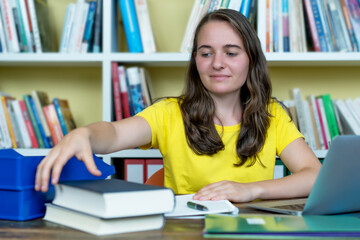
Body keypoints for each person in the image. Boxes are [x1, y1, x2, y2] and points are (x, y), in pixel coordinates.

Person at [35, 9, 321, 203]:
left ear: (251, 60)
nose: (217, 63)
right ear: (195, 61)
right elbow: (112, 135)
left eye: (231, 53)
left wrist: (249, 190)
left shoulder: (272, 116)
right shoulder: (169, 113)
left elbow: (313, 175)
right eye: (206, 53)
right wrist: (84, 134)